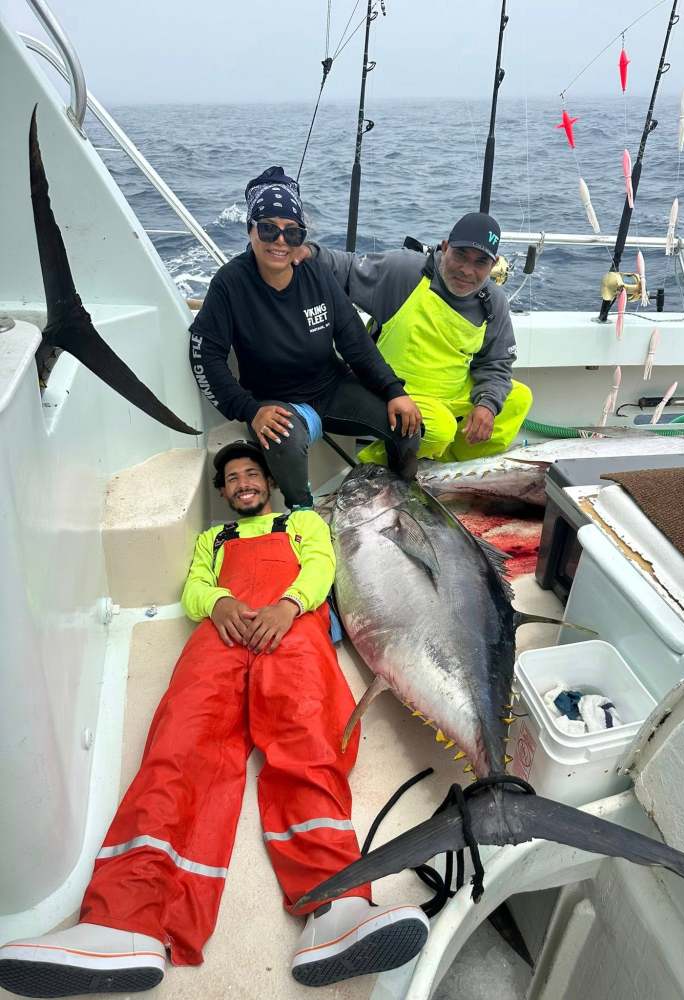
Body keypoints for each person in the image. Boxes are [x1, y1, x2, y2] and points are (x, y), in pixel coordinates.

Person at [0, 442, 429, 996]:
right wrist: (220, 603)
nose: (243, 482)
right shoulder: (213, 539)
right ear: (223, 492)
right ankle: (124, 922)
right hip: (221, 635)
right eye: (232, 478)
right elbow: (195, 587)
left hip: (291, 629)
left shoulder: (300, 521)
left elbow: (322, 566)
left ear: (269, 484)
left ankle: (339, 908)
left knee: (308, 744)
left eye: (252, 473)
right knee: (179, 746)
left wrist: (289, 605)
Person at [188, 167, 422, 509]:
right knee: (282, 440)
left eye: (292, 233)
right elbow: (205, 357)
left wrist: (394, 391)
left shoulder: (316, 273)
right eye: (268, 229)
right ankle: (304, 514)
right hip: (275, 401)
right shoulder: (230, 283)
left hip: (331, 388)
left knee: (408, 426)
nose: (280, 241)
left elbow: (355, 342)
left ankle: (404, 495)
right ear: (250, 229)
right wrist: (250, 409)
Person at [298, 212, 533, 464]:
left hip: (451, 392)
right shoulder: (405, 272)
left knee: (518, 399)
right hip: (394, 390)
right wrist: (308, 252)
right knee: (441, 429)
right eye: (461, 256)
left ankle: (453, 467)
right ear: (445, 247)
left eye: (480, 263)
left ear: (493, 264)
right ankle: (375, 468)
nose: (467, 270)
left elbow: (496, 363)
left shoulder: (493, 301)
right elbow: (345, 267)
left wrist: (487, 404)